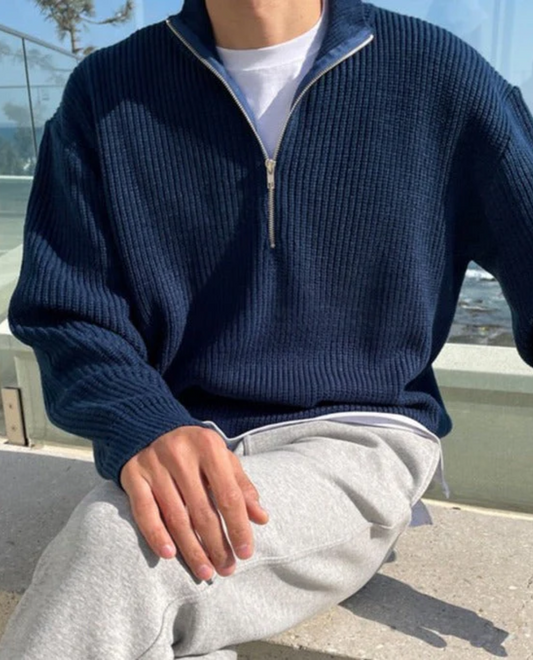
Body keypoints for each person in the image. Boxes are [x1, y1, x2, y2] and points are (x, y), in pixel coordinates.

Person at [1, 0, 532, 657]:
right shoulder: (106, 91)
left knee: (118, 550)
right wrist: (143, 421)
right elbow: (66, 310)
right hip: (177, 439)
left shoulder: (436, 75)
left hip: (358, 438)